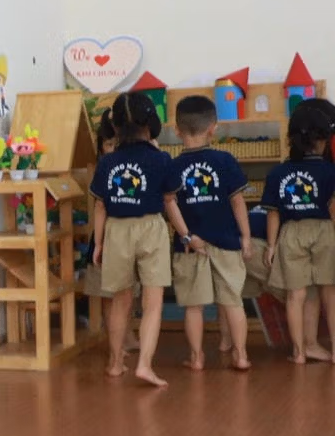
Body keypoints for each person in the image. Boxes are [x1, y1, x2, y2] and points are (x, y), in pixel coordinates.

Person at [92, 93, 177, 385]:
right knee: (153, 302)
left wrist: (99, 243)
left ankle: (115, 363)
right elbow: (169, 199)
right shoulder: (161, 159)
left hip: (116, 229)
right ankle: (144, 365)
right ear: (151, 123)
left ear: (115, 126)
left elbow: (100, 205)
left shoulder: (108, 162)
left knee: (121, 299)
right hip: (151, 227)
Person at [165, 95, 252, 371]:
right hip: (227, 241)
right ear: (213, 128)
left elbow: (169, 205)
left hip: (190, 245)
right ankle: (240, 355)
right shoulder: (225, 160)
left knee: (194, 306)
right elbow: (238, 201)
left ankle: (196, 357)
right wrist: (246, 237)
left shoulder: (173, 166)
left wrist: (186, 235)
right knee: (233, 301)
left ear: (176, 130)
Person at [261, 98, 335, 365]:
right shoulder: (330, 171)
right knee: (330, 292)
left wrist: (271, 246)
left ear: (290, 139)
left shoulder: (278, 172)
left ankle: (300, 352)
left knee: (296, 294)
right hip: (325, 230)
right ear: (324, 140)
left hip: (290, 232)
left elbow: (273, 212)